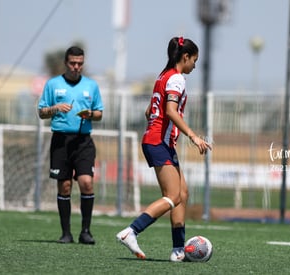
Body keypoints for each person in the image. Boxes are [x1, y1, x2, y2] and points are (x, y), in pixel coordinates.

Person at [116, 36, 211, 261]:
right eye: (194, 60)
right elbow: (170, 110)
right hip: (158, 142)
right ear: (185, 57)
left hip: (159, 142)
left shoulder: (163, 76)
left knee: (182, 194)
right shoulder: (176, 78)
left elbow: (150, 111)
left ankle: (178, 250)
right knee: (172, 196)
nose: (195, 66)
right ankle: (131, 231)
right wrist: (193, 136)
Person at [37, 46, 104, 245]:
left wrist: (89, 114)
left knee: (86, 183)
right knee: (65, 186)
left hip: (83, 142)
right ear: (66, 63)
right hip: (60, 141)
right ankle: (66, 233)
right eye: (73, 63)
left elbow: (99, 113)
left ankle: (86, 231)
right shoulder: (53, 84)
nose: (76, 67)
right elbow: (41, 112)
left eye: (80, 64)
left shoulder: (91, 86)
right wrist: (55, 108)